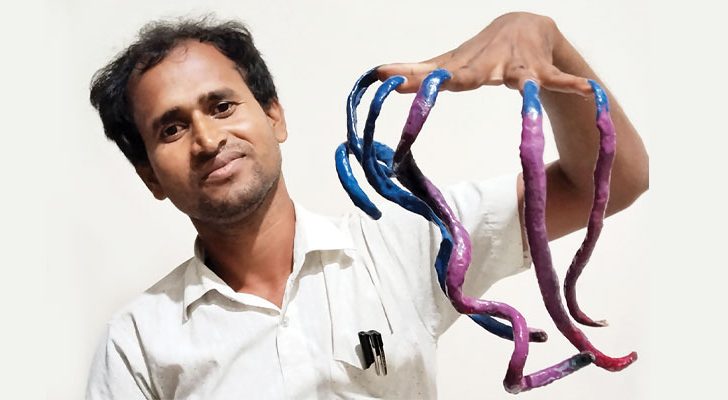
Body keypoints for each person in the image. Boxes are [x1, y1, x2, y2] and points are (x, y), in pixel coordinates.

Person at [86, 11, 648, 399]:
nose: (208, 139)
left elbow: (614, 181)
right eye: (172, 128)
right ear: (149, 175)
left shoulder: (411, 245)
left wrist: (547, 43)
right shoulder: (139, 342)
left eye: (223, 106)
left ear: (274, 116)